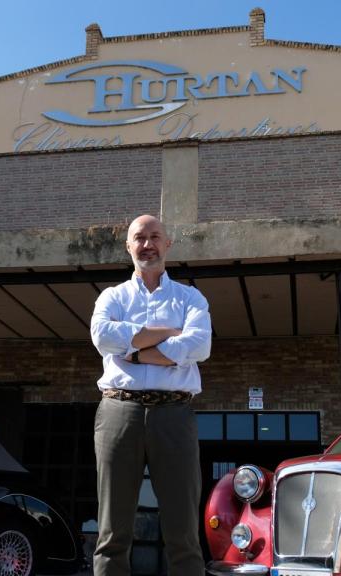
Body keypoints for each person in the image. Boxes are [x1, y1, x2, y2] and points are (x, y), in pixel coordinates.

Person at [90, 214, 212, 576]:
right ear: (128, 246)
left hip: (174, 414)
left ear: (168, 244)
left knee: (183, 530)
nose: (148, 244)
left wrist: (137, 350)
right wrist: (168, 334)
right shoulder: (112, 296)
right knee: (112, 531)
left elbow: (200, 345)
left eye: (155, 236)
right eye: (139, 238)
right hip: (118, 412)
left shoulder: (190, 297)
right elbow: (102, 337)